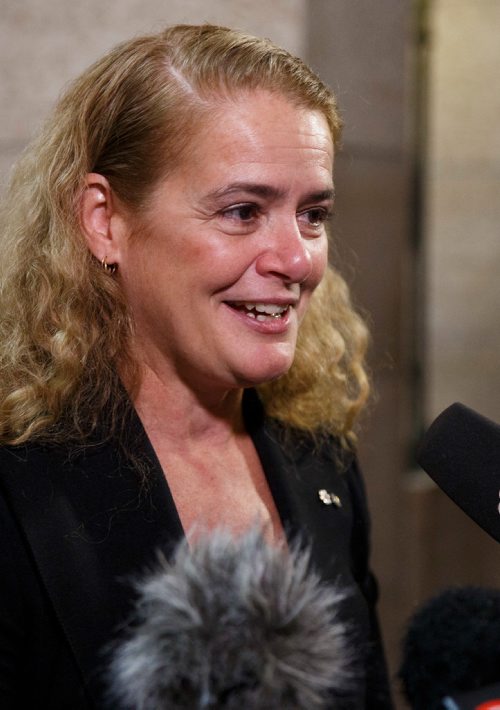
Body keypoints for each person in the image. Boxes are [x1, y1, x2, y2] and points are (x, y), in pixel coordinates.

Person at [0, 24, 393, 709]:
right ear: (105, 221)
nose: (298, 260)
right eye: (243, 211)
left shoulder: (321, 459)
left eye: (313, 214)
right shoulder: (16, 482)